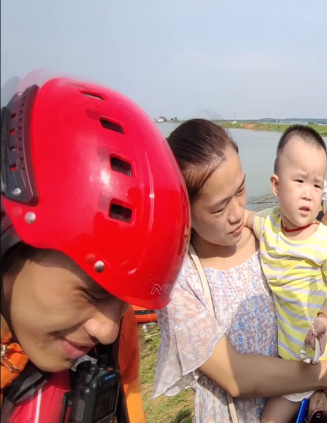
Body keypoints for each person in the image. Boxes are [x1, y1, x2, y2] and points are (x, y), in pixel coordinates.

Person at [0, 72, 191, 422]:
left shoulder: (115, 338)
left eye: (123, 305)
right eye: (91, 293)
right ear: (10, 240)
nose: (108, 330)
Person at [153, 120, 327, 423]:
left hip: (292, 404)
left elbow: (311, 297)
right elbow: (236, 376)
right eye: (219, 208)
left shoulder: (265, 238)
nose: (237, 213)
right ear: (183, 209)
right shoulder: (180, 283)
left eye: (241, 190)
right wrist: (324, 372)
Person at [241, 125, 327, 423]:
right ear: (276, 185)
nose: (308, 194)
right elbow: (239, 217)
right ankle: (322, 405)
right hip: (286, 362)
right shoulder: (267, 225)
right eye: (299, 180)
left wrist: (325, 316)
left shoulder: (325, 240)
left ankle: (321, 401)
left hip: (314, 357)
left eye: (317, 185)